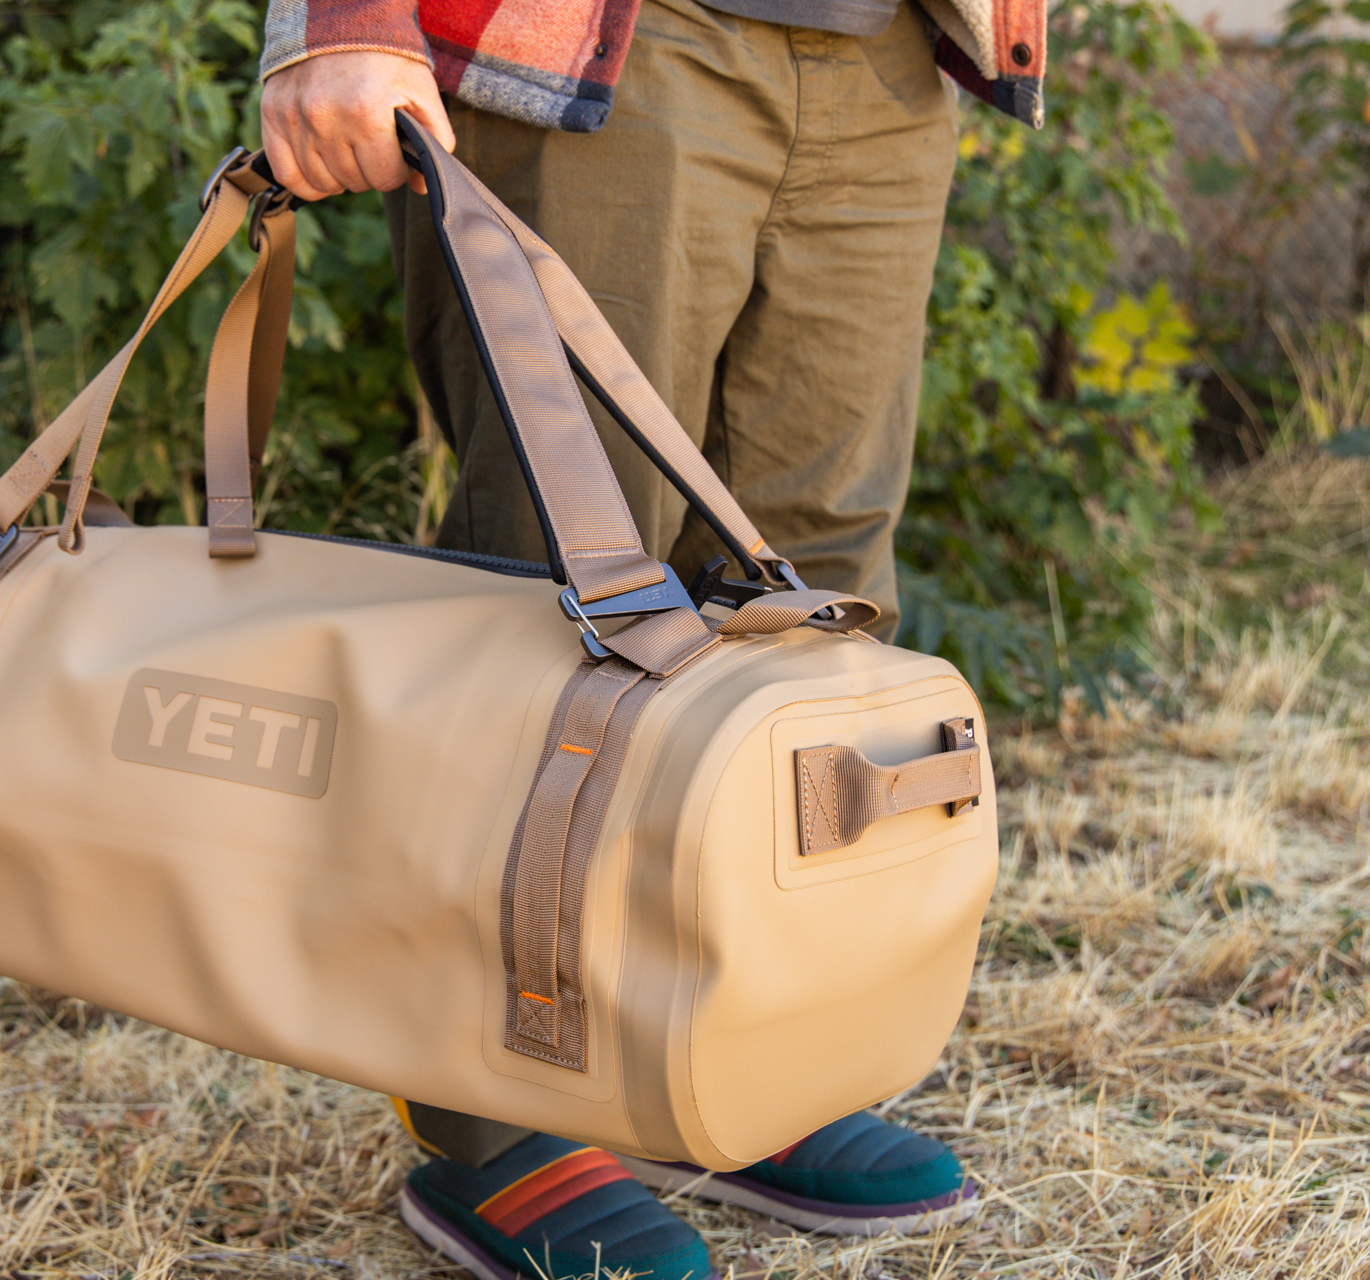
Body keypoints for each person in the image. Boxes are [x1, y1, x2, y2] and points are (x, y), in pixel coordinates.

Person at [257, 1, 1045, 1276]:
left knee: (817, 609)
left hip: (888, 54)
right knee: (563, 594)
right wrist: (343, 21)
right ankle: (491, 1115)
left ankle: (730, 1063)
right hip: (613, 41)